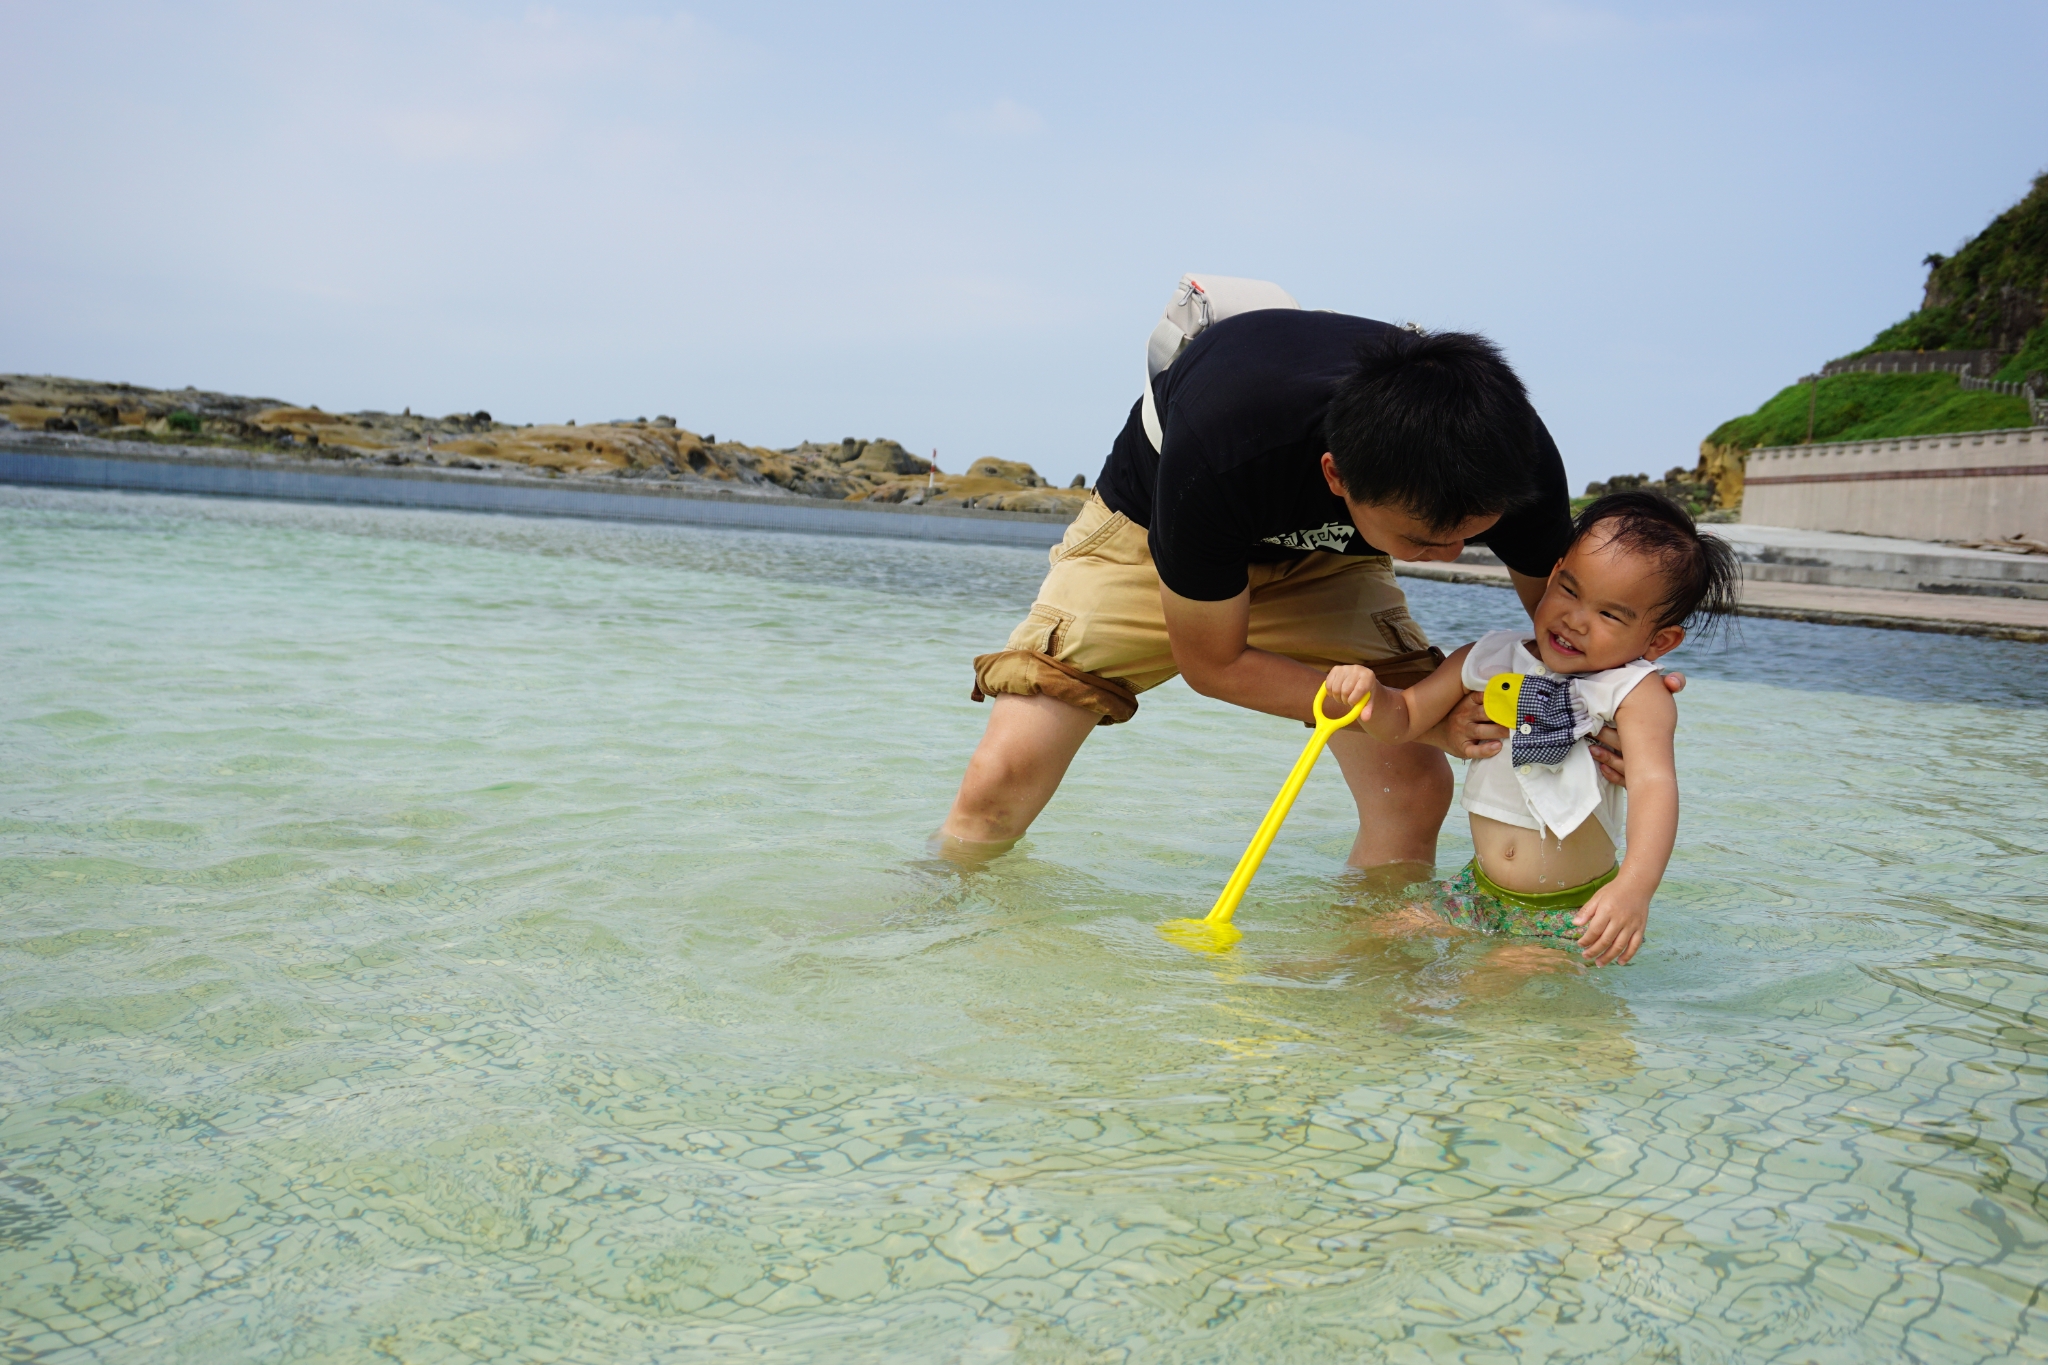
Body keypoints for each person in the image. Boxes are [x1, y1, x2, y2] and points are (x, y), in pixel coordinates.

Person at [940, 310, 1681, 872]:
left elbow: (1568, 633)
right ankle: (940, 918)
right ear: (1336, 476)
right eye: (1425, 542)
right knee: (1000, 779)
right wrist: (1421, 721)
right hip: (1155, 533)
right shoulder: (1226, 446)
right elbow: (1214, 664)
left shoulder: (1508, 462)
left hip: (1334, 559)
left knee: (1413, 792)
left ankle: (1362, 991)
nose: (1451, 554)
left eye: (1472, 535)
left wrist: (1622, 698)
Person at [1324, 492, 1738, 965]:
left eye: (1608, 614)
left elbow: (1654, 785)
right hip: (1477, 892)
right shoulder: (1489, 657)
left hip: (1567, 912)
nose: (1575, 620)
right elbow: (1403, 719)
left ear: (1660, 640)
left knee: (1491, 984)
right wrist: (1371, 694)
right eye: (1569, 590)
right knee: (1365, 942)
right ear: (1554, 571)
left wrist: (1634, 889)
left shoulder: (1633, 692)